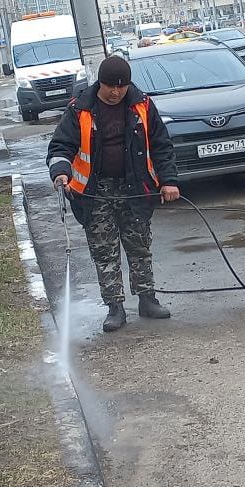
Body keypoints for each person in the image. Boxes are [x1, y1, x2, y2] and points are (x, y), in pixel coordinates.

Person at [47, 54, 181, 333]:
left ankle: (147, 299)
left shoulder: (142, 105)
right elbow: (60, 146)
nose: (116, 93)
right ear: (100, 84)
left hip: (135, 189)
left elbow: (161, 145)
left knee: (139, 247)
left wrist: (168, 181)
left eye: (121, 87)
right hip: (95, 193)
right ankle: (115, 308)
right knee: (104, 252)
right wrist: (61, 172)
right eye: (110, 87)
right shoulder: (80, 109)